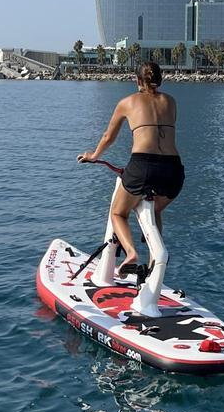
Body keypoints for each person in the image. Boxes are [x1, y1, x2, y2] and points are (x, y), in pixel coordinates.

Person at [78, 61, 184, 273]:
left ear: (137, 80)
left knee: (118, 213)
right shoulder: (171, 102)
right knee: (153, 210)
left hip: (143, 165)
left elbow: (109, 137)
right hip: (173, 170)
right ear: (159, 79)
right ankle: (156, 258)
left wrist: (93, 155)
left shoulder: (127, 102)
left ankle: (131, 253)